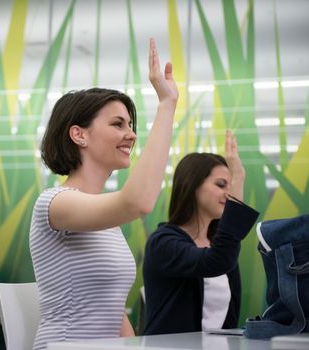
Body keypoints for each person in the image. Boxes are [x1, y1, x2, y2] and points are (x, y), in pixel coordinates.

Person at [29, 38, 178, 350]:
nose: (131, 134)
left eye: (131, 124)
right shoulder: (55, 204)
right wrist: (167, 105)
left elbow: (112, 313)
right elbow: (138, 202)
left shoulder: (107, 221)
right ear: (79, 134)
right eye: (118, 124)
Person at [142, 130, 260, 335]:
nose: (228, 193)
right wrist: (238, 178)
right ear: (192, 186)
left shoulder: (220, 244)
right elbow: (217, 261)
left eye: (231, 186)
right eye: (221, 184)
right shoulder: (162, 243)